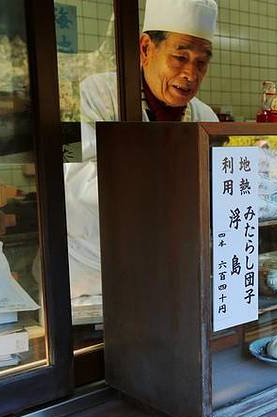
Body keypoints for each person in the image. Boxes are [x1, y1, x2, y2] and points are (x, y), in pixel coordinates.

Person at [60, 0, 220, 318]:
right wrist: (171, 184)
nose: (190, 74)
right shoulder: (87, 95)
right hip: (92, 278)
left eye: (201, 63)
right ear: (146, 48)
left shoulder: (205, 117)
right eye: (180, 57)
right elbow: (69, 175)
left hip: (170, 281)